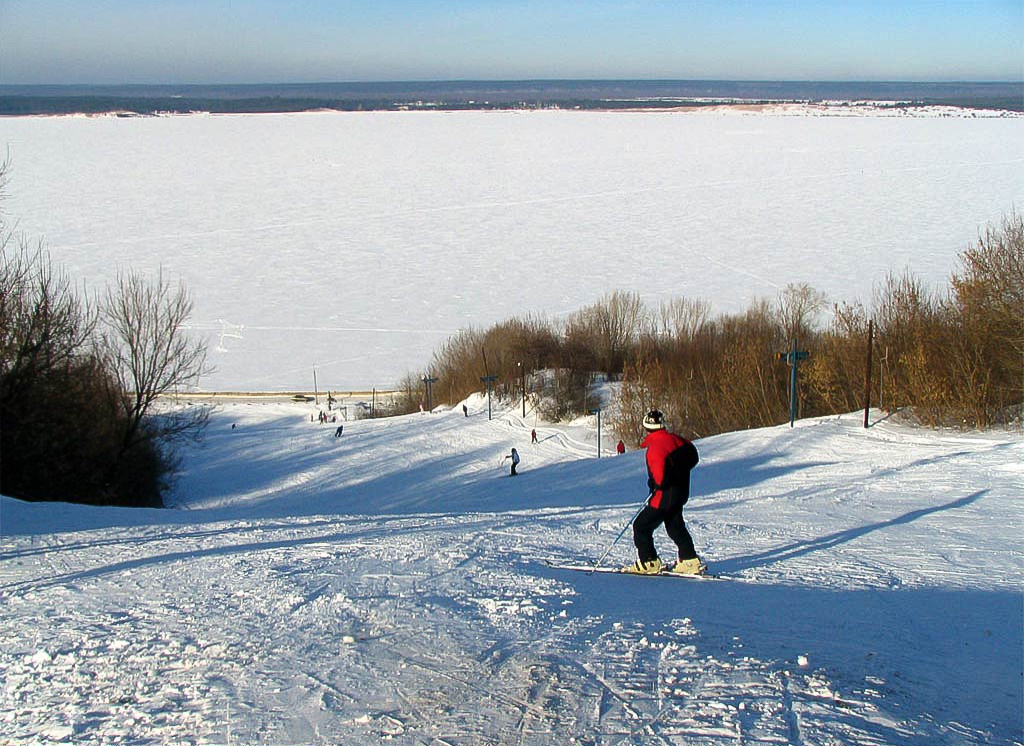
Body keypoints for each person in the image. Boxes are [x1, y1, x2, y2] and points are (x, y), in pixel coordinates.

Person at [624, 410, 703, 575]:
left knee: (641, 526)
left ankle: (649, 562)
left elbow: (660, 478)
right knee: (675, 526)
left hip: (664, 497)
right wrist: (679, 472)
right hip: (681, 493)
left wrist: (654, 483)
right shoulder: (677, 439)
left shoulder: (655, 448)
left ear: (646, 427)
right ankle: (689, 560)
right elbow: (693, 456)